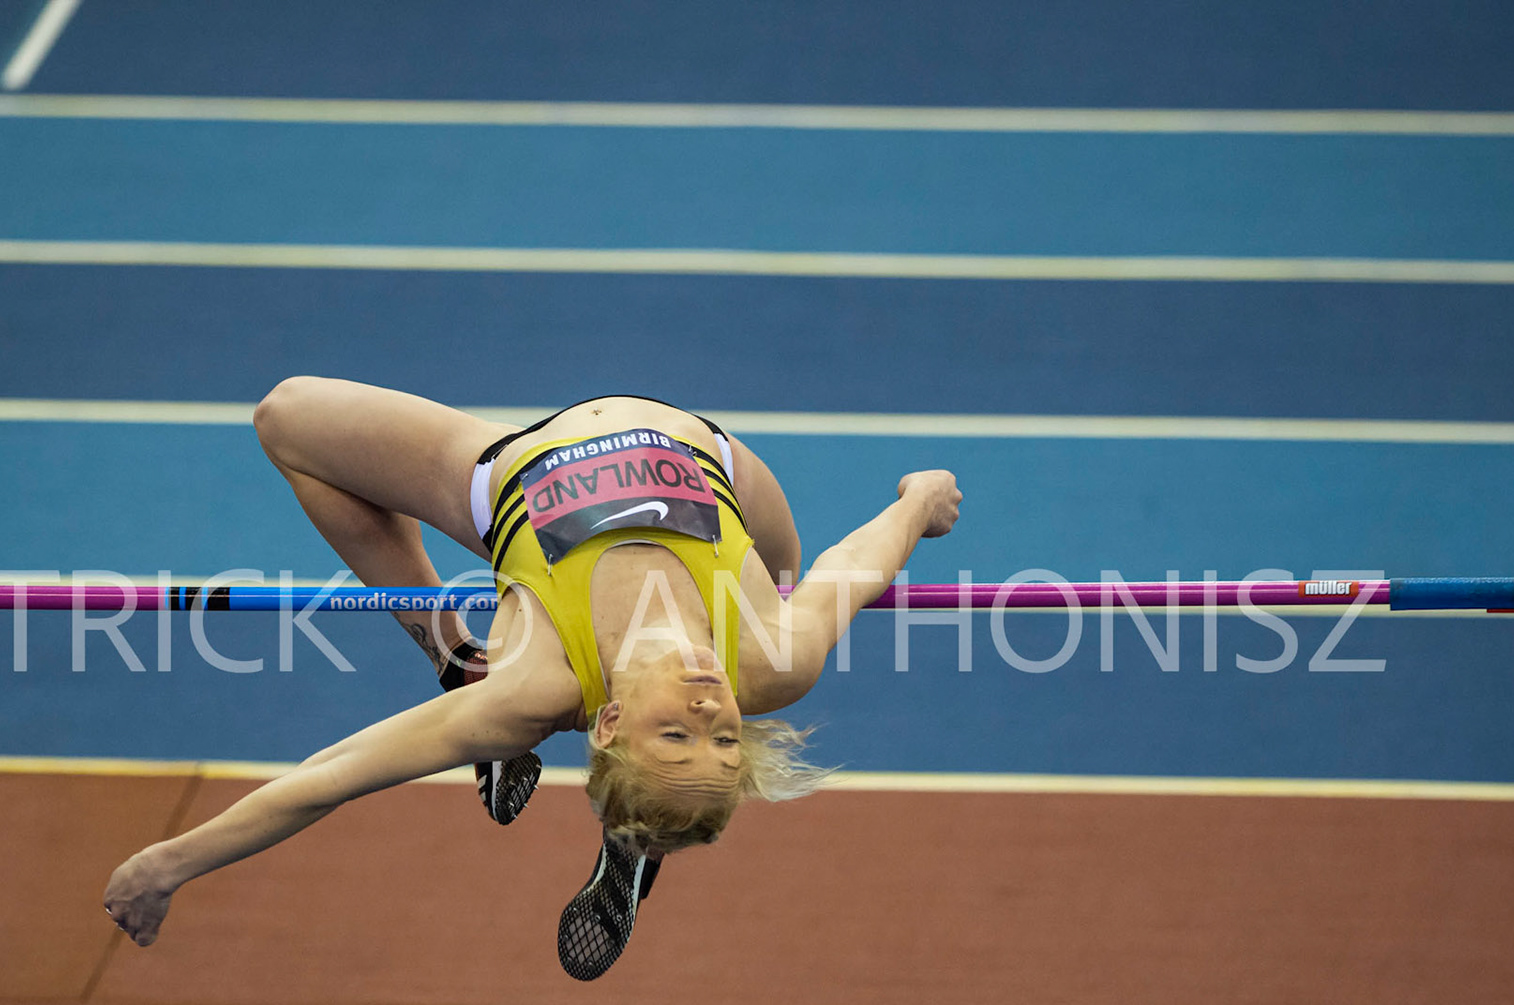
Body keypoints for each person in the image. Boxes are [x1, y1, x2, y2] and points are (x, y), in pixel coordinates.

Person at [104, 380, 961, 974]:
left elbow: (331, 777)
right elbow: (856, 561)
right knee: (783, 568)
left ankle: (454, 661)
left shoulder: (534, 687)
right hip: (714, 465)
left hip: (514, 474)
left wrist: (167, 863)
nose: (709, 706)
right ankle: (546, 746)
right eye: (725, 735)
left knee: (284, 419)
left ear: (610, 724)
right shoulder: (772, 663)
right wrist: (919, 503)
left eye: (678, 733)